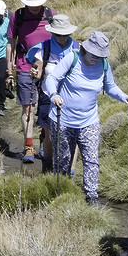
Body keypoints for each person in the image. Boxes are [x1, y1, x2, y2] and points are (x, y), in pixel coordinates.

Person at [44, 29, 128, 204]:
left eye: (99, 56)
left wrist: (124, 97)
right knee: (63, 159)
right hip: (63, 119)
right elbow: (52, 78)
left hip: (89, 121)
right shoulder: (72, 58)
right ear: (86, 49)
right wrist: (53, 95)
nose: (95, 59)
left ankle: (92, 195)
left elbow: (111, 86)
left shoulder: (104, 66)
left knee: (91, 159)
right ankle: (61, 192)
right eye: (93, 55)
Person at [10, 0, 56, 162]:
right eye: (32, 4)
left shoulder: (50, 15)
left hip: (49, 66)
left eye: (37, 4)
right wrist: (10, 68)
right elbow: (11, 42)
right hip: (24, 66)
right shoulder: (18, 16)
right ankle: (28, 147)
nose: (35, 7)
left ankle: (46, 145)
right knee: (28, 107)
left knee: (46, 106)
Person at [30, 13, 79, 167]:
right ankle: (49, 165)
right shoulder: (44, 47)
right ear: (52, 32)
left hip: (71, 96)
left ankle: (70, 168)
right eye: (58, 34)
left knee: (72, 134)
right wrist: (35, 72)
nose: (62, 38)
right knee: (50, 135)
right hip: (47, 95)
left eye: (65, 34)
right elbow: (37, 67)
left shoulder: (77, 48)